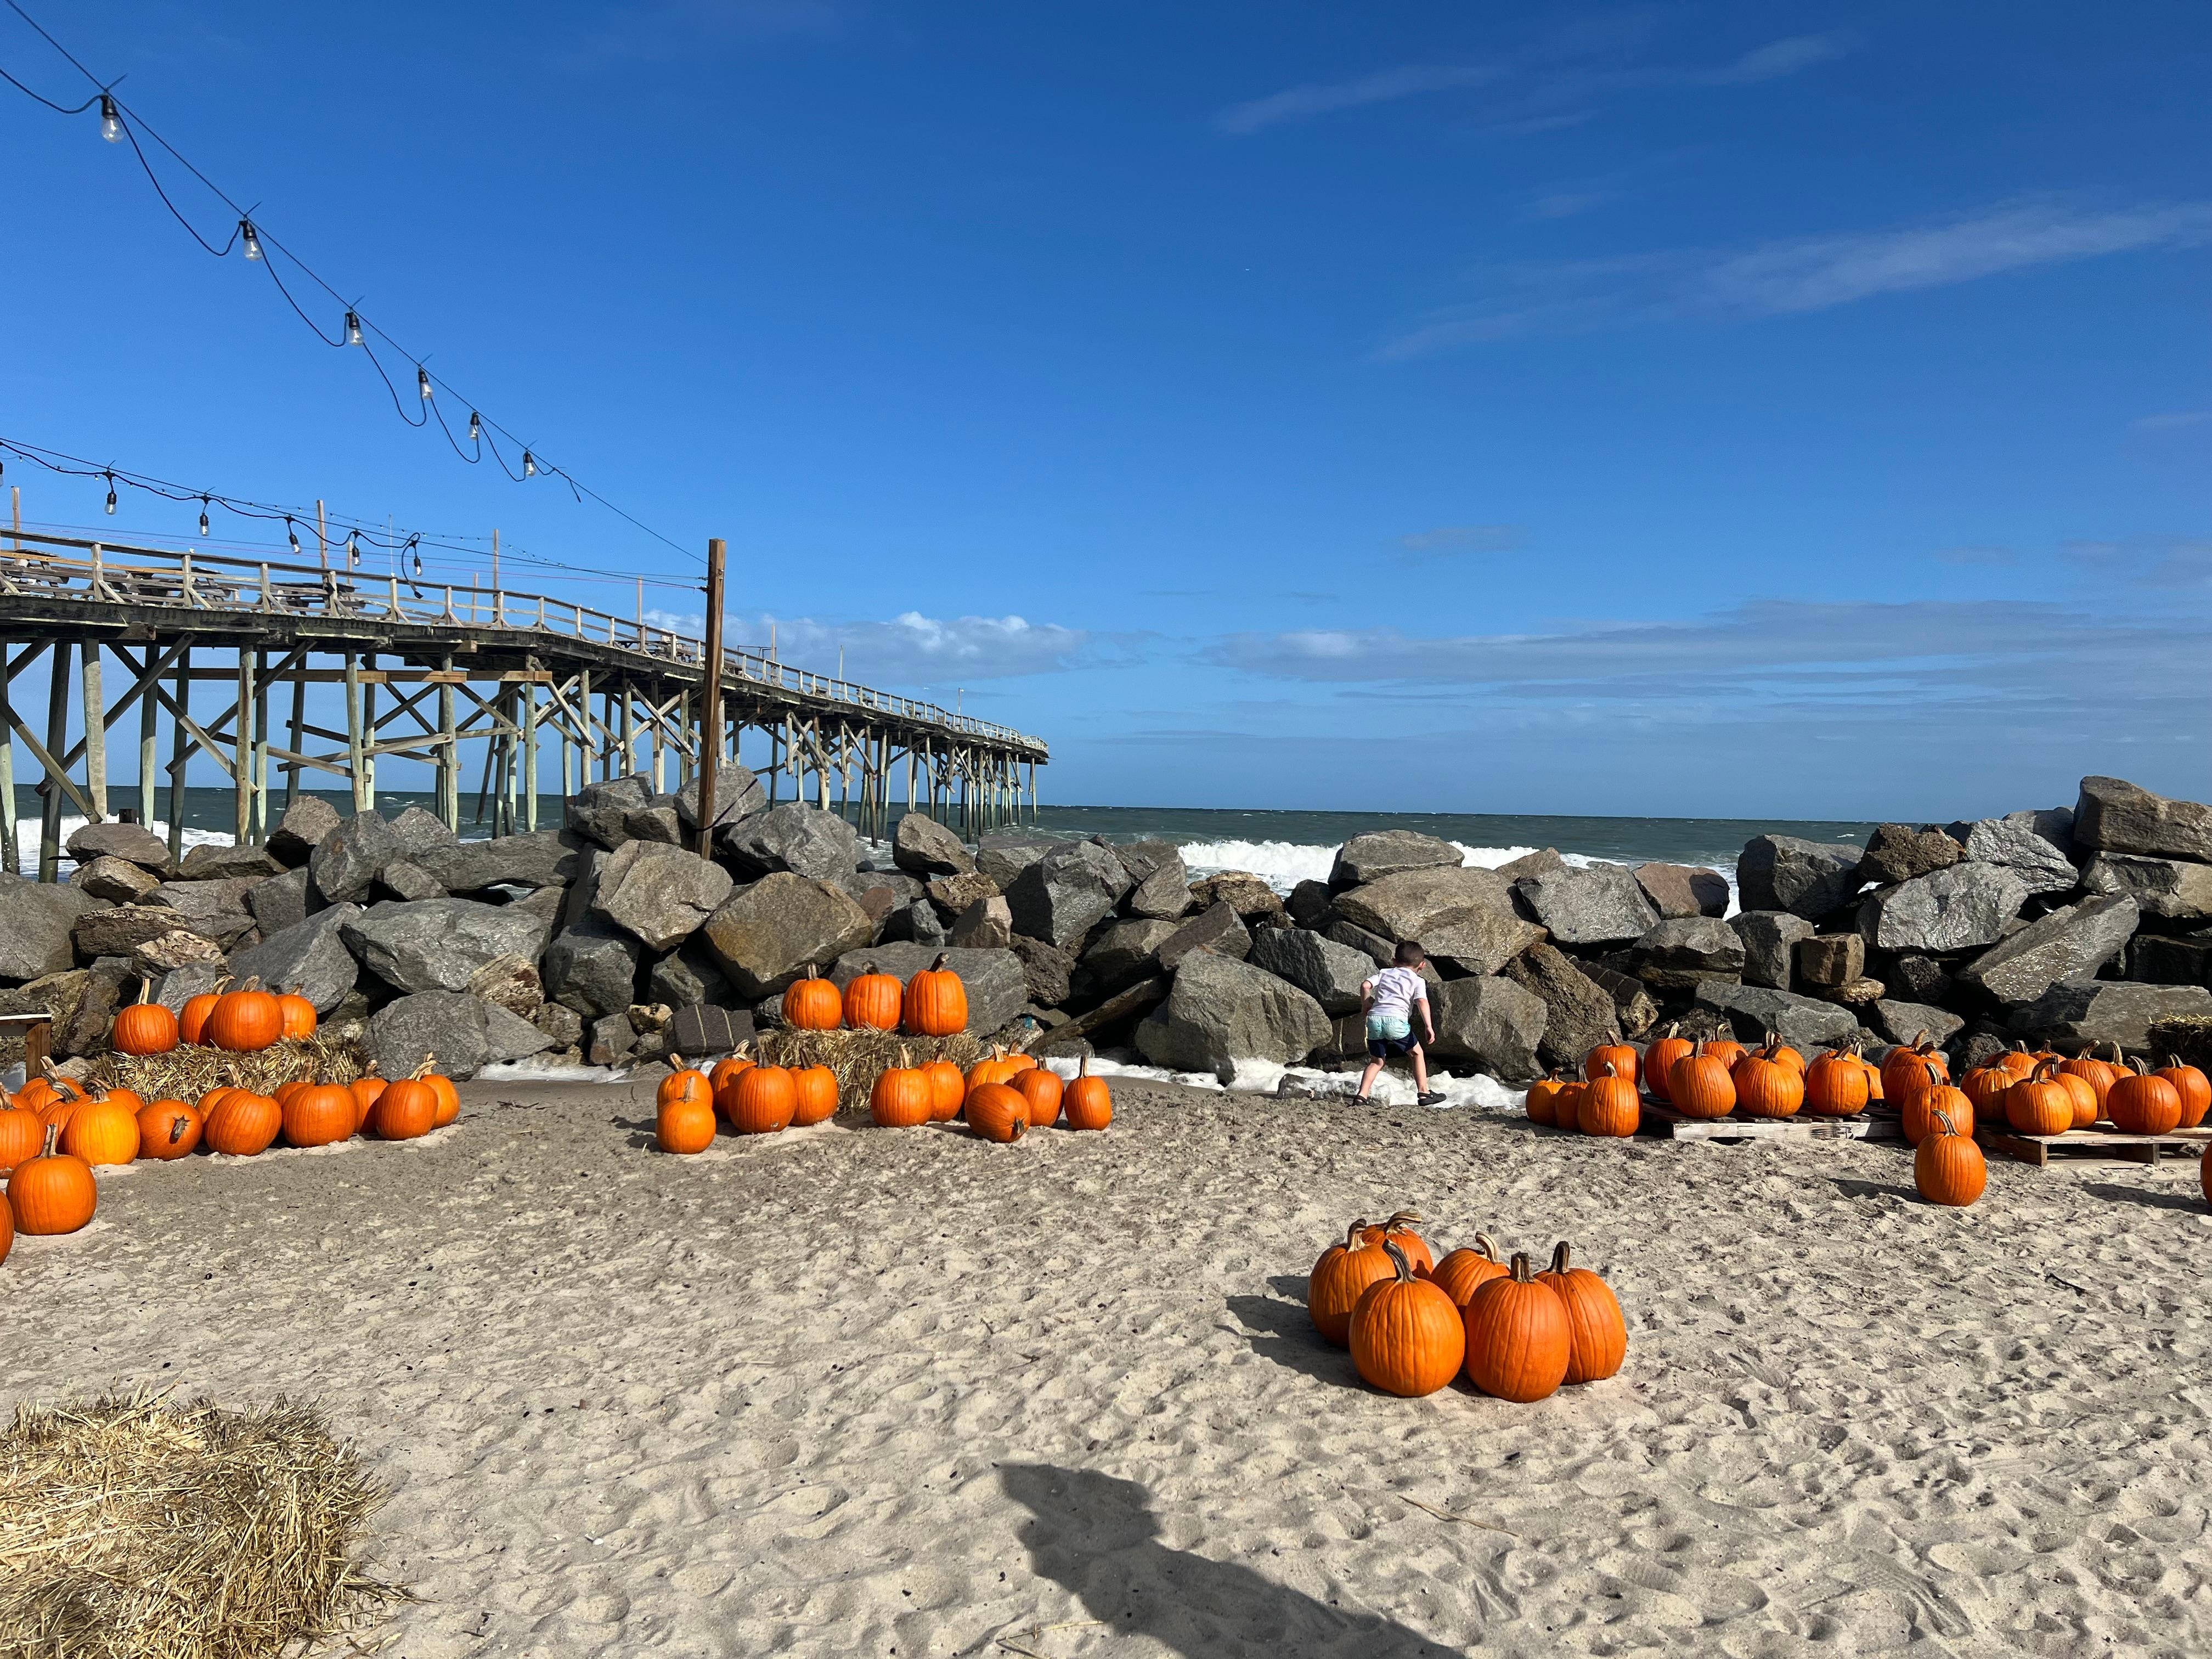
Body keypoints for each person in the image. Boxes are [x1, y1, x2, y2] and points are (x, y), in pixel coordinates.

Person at [1356, 941, 1443, 1106]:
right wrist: (1428, 1026)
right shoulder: (1417, 981)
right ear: (1422, 965)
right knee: (1417, 1054)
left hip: (1374, 1020)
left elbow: (1365, 985)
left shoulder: (1384, 973)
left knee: (1377, 1061)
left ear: (1394, 961)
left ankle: (1362, 1095)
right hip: (1395, 1021)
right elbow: (1422, 1002)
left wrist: (1366, 1003)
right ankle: (1424, 1093)